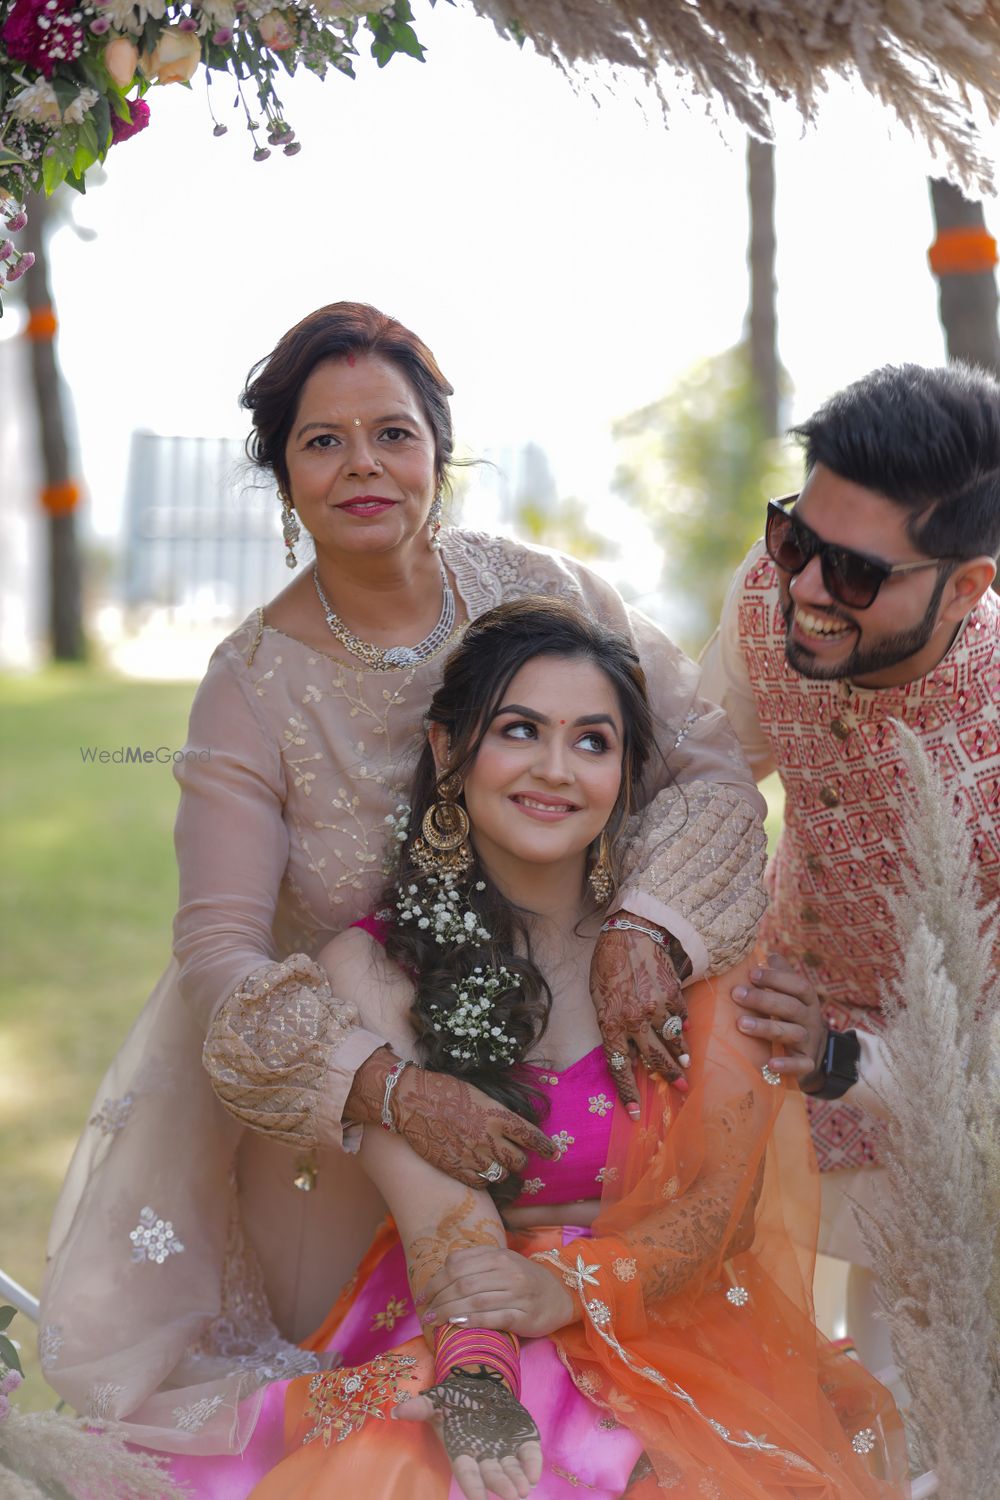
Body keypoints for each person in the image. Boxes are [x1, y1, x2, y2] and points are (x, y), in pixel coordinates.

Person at [39, 302, 768, 1459]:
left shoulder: (545, 595)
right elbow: (217, 946)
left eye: (392, 433)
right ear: (282, 475)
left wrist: (646, 928)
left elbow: (711, 774)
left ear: (438, 450)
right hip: (368, 1091)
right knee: (390, 1425)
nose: (363, 465)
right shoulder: (251, 686)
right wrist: (385, 1087)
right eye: (322, 442)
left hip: (590, 1040)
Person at [240, 597, 907, 1500]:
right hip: (466, 1313)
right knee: (406, 1468)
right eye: (521, 731)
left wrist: (573, 1289)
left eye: (593, 742)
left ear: (626, 772)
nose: (556, 771)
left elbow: (721, 1210)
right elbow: (445, 1222)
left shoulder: (695, 955)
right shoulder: (372, 968)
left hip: (678, 1321)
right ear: (449, 749)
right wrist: (478, 1376)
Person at [695, 361, 1000, 1363]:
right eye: (797, 537)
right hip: (756, 1073)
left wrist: (846, 1061)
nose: (807, 589)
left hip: (949, 1141)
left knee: (908, 1429)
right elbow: (705, 782)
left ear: (965, 587)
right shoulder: (770, 593)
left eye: (857, 573)